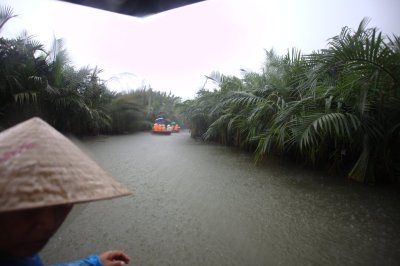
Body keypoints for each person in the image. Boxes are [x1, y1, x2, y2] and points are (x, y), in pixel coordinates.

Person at [0, 117, 132, 266]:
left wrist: (94, 263)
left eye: (63, 204)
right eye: (29, 205)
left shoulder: (16, 253)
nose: (49, 224)